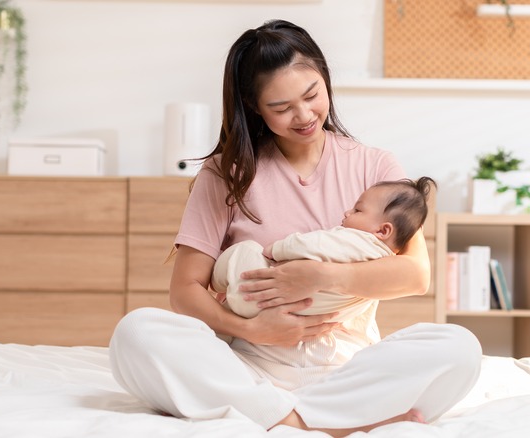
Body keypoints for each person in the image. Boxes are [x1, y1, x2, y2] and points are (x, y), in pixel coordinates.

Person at [108, 19, 482, 436]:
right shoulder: (225, 174)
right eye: (281, 108)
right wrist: (249, 328)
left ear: (325, 79)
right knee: (137, 332)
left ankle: (272, 417)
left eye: (311, 95)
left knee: (459, 347)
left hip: (348, 369)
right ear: (253, 106)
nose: (303, 116)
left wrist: (322, 276)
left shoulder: (376, 167)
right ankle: (320, 422)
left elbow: (415, 275)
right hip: (250, 365)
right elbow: (184, 290)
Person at [212, 176, 436, 324]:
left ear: (383, 230)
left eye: (358, 210)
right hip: (288, 313)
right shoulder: (380, 266)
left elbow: (312, 244)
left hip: (258, 294)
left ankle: (219, 281)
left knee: (245, 251)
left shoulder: (356, 240)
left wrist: (277, 249)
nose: (347, 213)